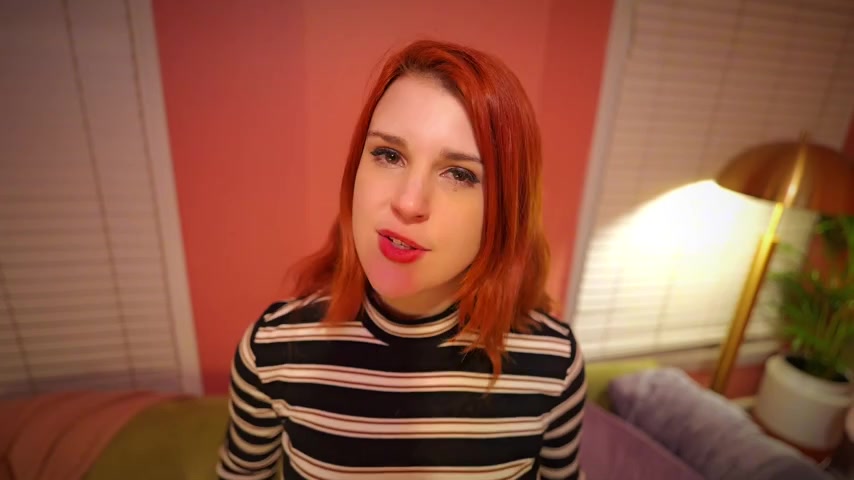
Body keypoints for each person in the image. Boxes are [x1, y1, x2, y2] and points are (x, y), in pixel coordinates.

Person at [216, 39, 587, 480]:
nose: (409, 203)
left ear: (505, 211)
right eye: (389, 155)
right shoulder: (273, 351)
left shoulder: (554, 365)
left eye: (459, 174)